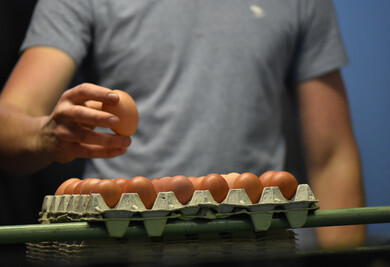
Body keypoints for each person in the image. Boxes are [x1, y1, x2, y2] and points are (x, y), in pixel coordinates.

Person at [0, 0, 365, 249]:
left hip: (258, 242)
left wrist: (349, 258)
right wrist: (46, 136)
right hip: (125, 246)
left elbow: (332, 155)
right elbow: (8, 123)